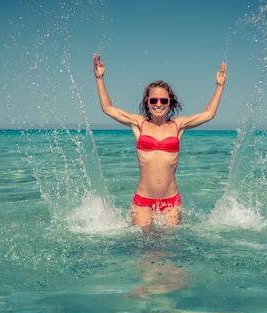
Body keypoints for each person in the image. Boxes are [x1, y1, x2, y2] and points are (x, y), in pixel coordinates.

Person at [93, 54, 227, 231]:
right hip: (143, 200)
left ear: (169, 103)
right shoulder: (139, 124)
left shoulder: (178, 126)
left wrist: (219, 86)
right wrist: (99, 78)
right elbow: (108, 108)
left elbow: (208, 114)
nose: (158, 104)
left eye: (163, 100)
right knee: (145, 249)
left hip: (171, 200)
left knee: (169, 249)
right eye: (153, 100)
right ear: (147, 102)